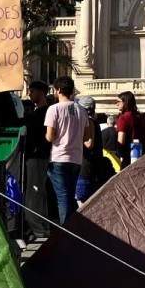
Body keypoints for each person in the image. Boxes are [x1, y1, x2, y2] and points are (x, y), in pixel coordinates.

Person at [44, 76, 92, 224]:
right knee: (70, 196)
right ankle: (72, 229)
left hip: (59, 157)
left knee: (63, 197)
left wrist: (47, 135)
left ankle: (64, 231)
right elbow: (87, 138)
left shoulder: (54, 109)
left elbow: (50, 137)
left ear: (58, 90)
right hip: (76, 158)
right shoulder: (82, 110)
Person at [23, 81, 55, 237]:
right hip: (41, 155)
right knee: (40, 192)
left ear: (42, 92)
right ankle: (43, 226)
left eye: (32, 90)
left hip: (37, 155)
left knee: (34, 193)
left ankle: (36, 227)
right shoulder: (43, 112)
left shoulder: (43, 113)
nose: (29, 93)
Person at [75, 96, 112, 206]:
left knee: (81, 202)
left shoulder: (88, 122)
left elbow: (89, 144)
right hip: (92, 169)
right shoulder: (94, 122)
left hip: (85, 168)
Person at [114, 91, 145, 166]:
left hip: (128, 159)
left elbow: (121, 141)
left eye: (118, 101)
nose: (116, 104)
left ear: (125, 102)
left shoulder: (123, 118)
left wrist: (119, 154)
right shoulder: (144, 117)